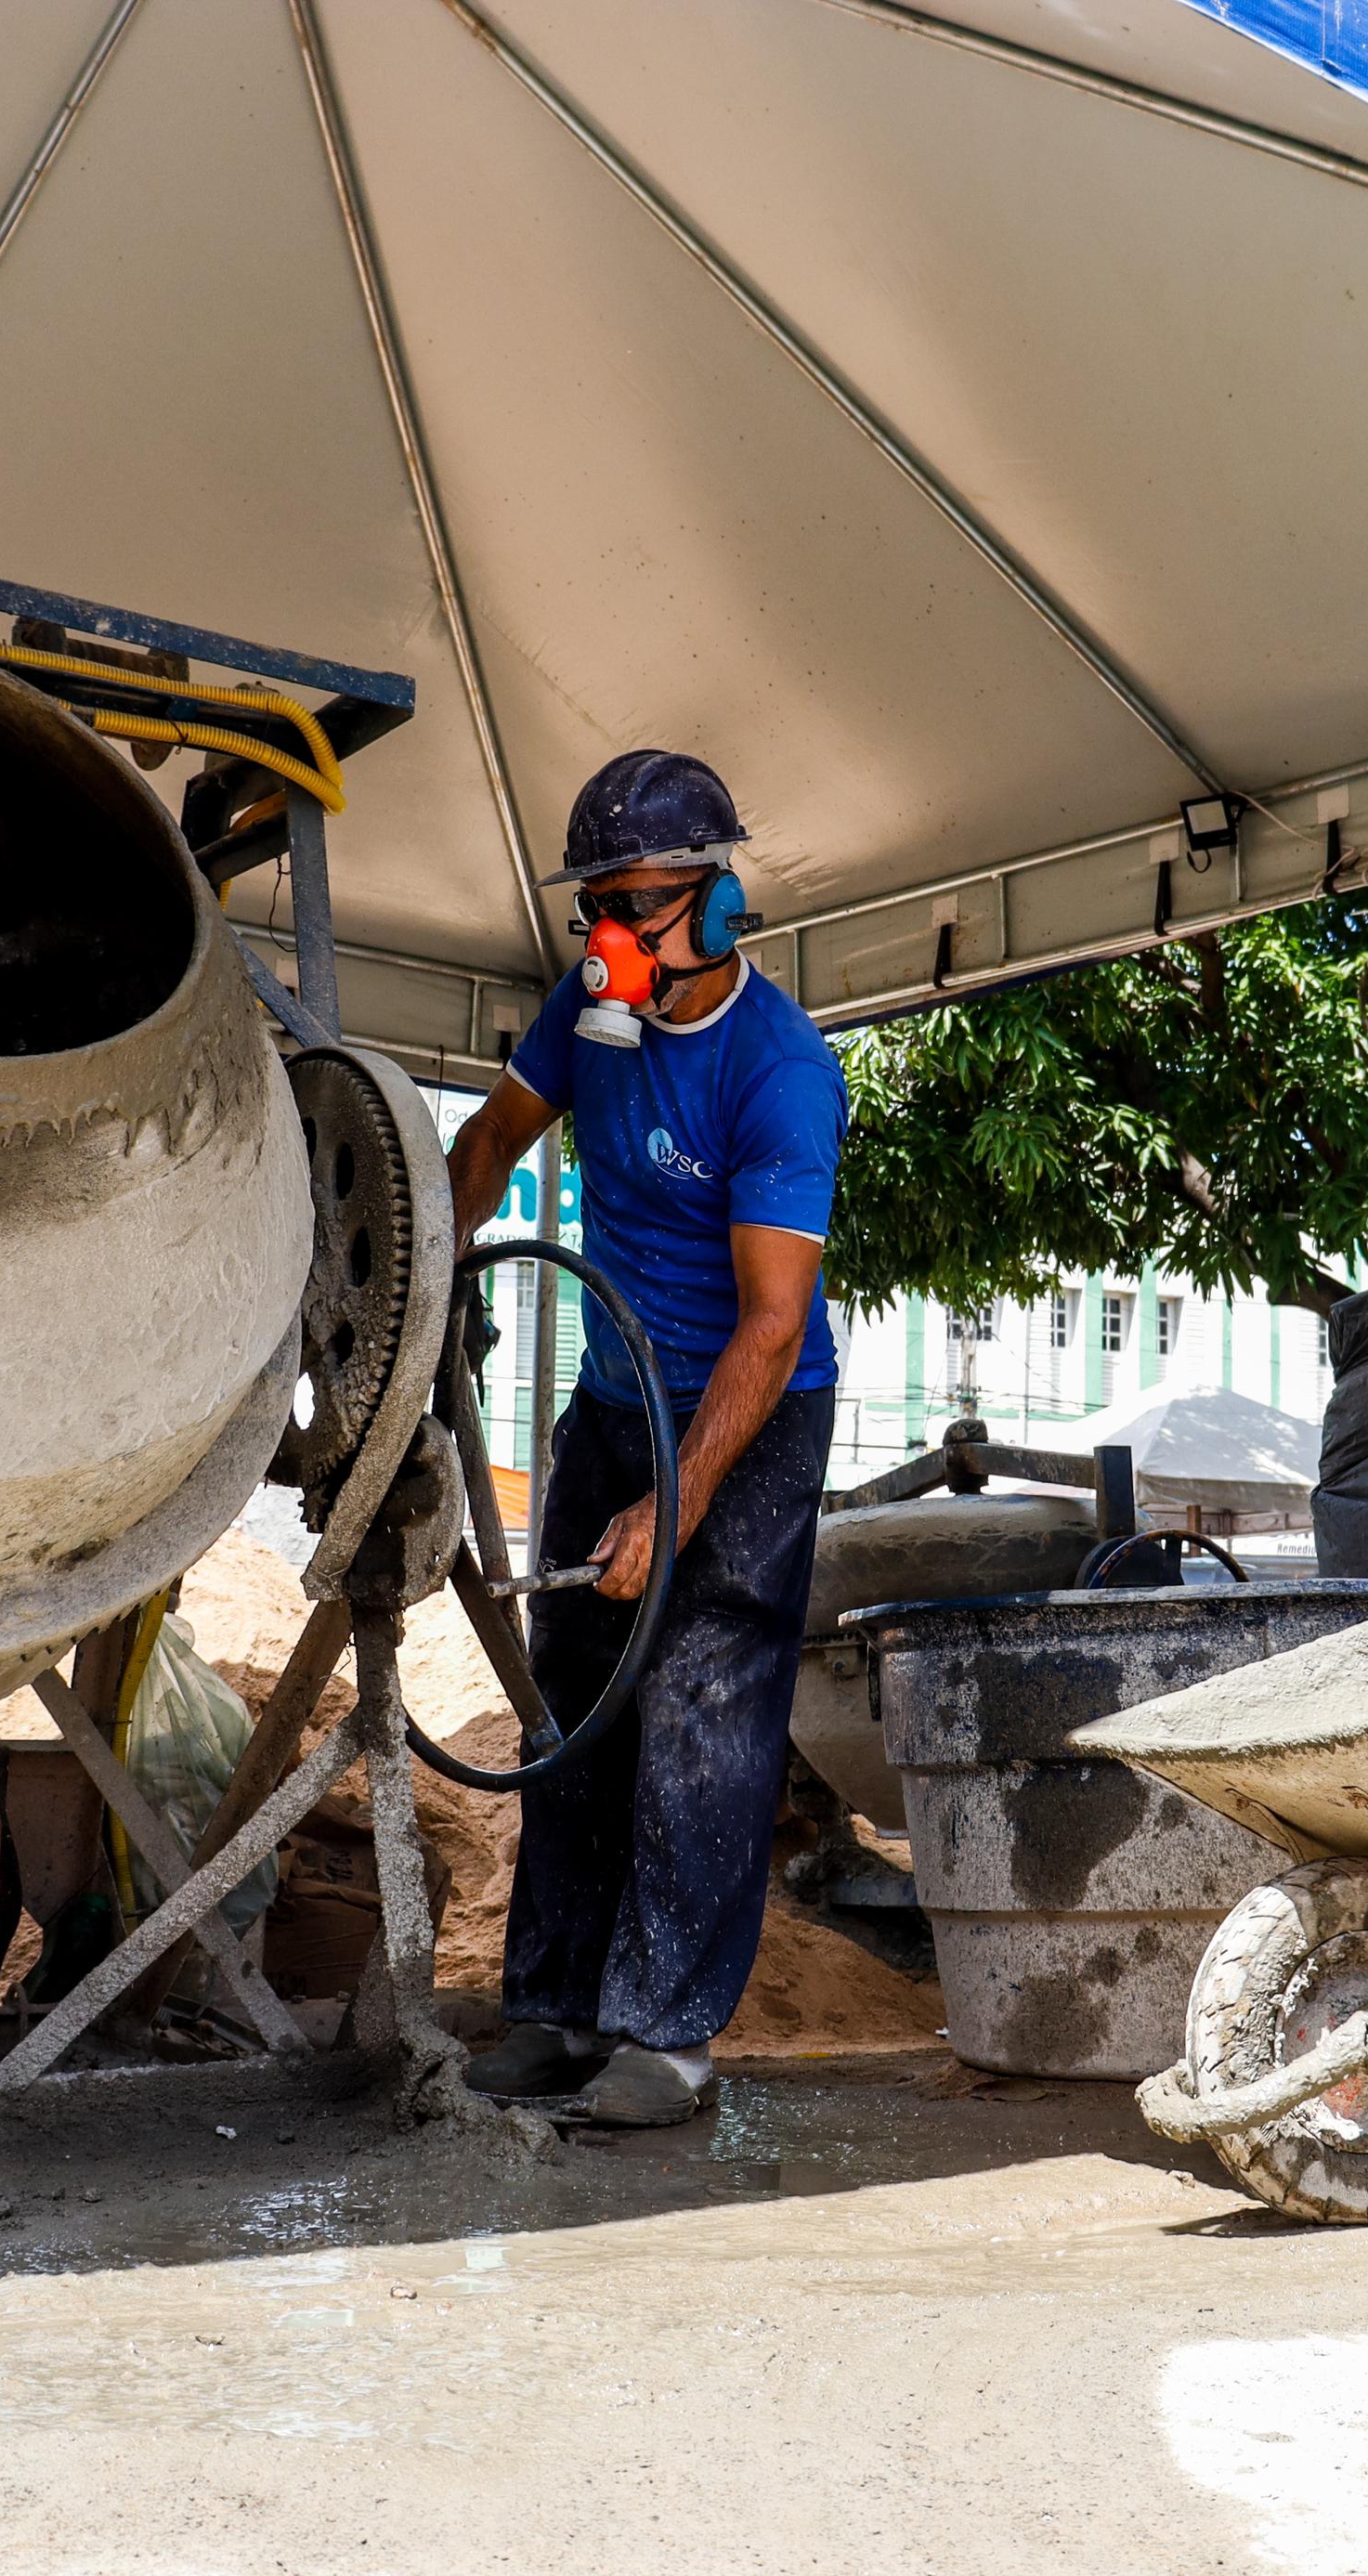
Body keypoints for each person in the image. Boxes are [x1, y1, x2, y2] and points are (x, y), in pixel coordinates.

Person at [440, 748, 846, 2128]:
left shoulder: (781, 1073)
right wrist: (420, 1274)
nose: (612, 939)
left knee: (697, 1714)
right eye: (597, 909)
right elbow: (490, 1139)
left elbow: (773, 1328)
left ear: (720, 906)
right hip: (617, 1402)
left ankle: (666, 2041)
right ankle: (557, 2011)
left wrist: (676, 1507)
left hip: (749, 1413)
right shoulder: (586, 1013)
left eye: (642, 907)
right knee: (573, 1699)